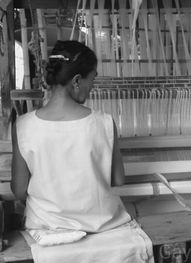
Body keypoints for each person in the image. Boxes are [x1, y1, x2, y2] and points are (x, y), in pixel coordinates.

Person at [11, 40, 154, 263]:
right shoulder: (104, 123)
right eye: (92, 79)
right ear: (77, 80)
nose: (92, 86)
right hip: (103, 227)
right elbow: (118, 179)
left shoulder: (23, 125)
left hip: (48, 229)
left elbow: (19, 191)